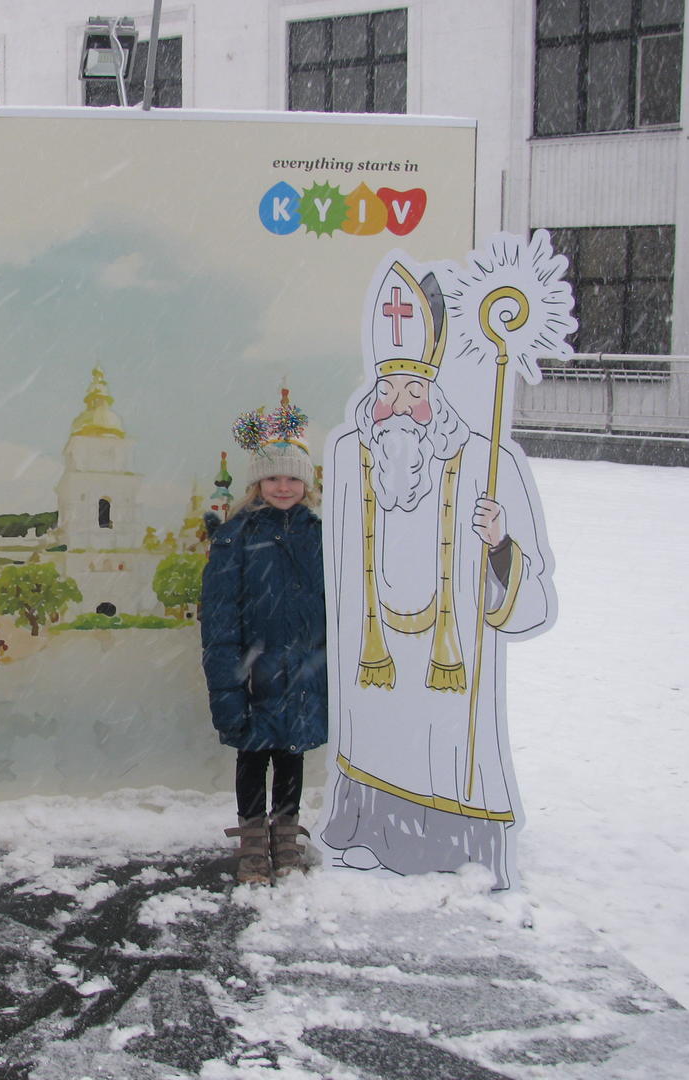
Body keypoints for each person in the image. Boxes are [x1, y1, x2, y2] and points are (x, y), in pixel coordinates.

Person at [319, 260, 552, 889]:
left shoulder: (488, 463)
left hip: (451, 661)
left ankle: (453, 848)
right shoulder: (348, 457)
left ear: (436, 395)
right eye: (387, 390)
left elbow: (530, 599)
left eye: (413, 392)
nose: (398, 407)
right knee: (382, 735)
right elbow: (336, 568)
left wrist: (499, 545)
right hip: (375, 657)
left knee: (445, 749)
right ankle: (370, 832)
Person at [199, 395, 326, 884]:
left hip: (304, 668)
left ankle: (286, 833)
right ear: (257, 484)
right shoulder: (235, 537)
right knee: (252, 753)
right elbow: (220, 614)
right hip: (254, 670)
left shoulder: (322, 536)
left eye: (293, 478)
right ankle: (254, 838)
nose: (283, 487)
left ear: (307, 484)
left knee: (292, 751)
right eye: (273, 478)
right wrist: (228, 678)